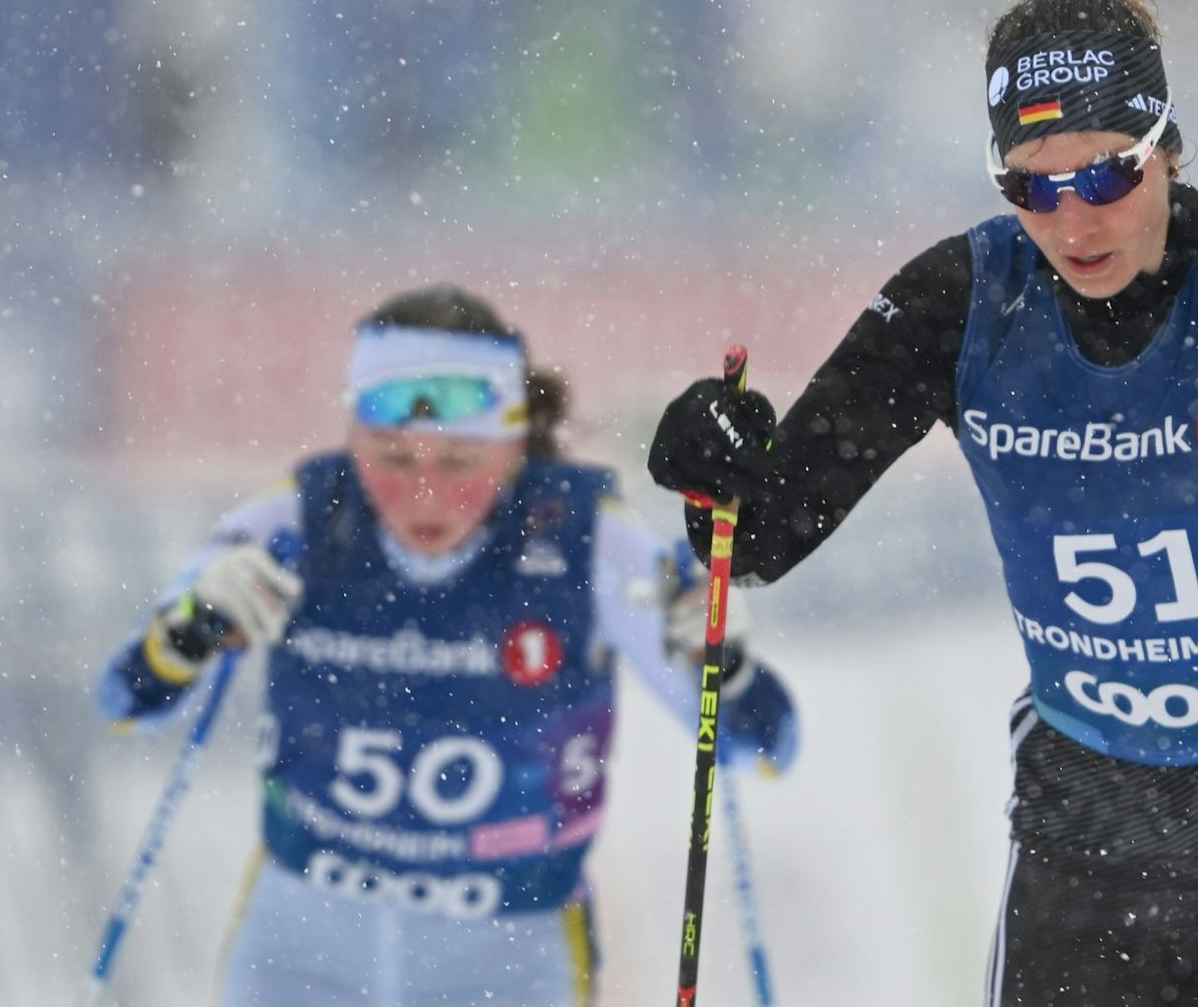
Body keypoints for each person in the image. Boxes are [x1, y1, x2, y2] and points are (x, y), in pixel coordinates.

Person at [646, 0, 1198, 1007]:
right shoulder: (957, 304)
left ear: (1165, 149)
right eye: (1029, 186)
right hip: (1097, 836)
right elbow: (754, 541)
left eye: (1103, 176)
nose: (1073, 219)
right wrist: (709, 468)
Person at [97, 285, 797, 1007]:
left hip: (507, 956)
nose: (424, 494)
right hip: (304, 947)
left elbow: (767, 748)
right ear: (354, 437)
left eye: (462, 461)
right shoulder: (298, 519)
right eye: (393, 458)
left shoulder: (589, 540)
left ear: (515, 444)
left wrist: (730, 667)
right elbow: (123, 700)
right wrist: (187, 630)